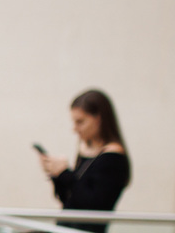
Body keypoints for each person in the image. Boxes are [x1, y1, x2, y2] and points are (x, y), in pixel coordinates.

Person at [37, 86, 130, 217]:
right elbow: (69, 199)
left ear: (98, 119)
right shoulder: (85, 149)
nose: (75, 129)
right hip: (69, 230)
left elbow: (93, 205)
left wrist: (64, 173)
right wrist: (56, 174)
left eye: (80, 122)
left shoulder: (113, 157)